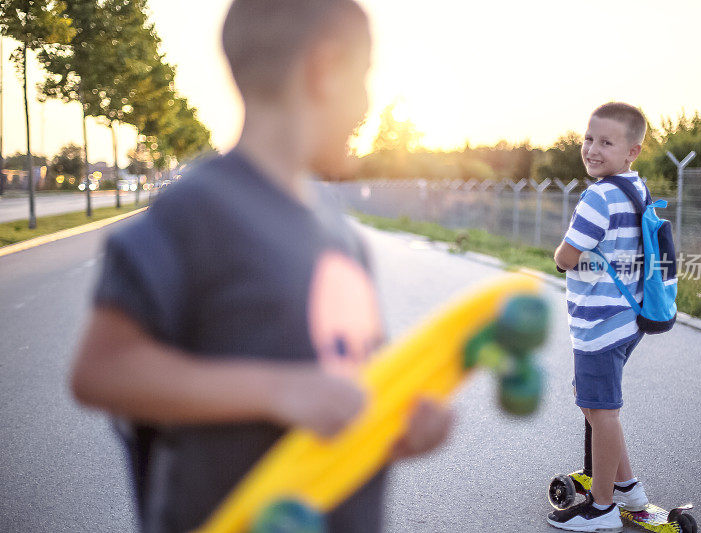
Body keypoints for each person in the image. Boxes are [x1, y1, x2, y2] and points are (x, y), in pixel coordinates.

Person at [70, 1, 453, 531]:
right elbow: (101, 371)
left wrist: (398, 423)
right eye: (364, 77)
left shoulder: (340, 233)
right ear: (323, 69)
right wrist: (278, 390)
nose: (367, 102)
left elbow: (348, 387)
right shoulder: (198, 211)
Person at [548, 102, 651, 532]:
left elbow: (567, 256)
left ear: (632, 150)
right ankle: (628, 488)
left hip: (600, 325)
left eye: (606, 142)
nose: (592, 149)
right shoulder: (635, 189)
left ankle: (603, 508)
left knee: (602, 412)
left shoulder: (599, 196)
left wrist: (561, 258)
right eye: (589, 139)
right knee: (596, 406)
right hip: (627, 319)